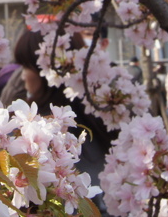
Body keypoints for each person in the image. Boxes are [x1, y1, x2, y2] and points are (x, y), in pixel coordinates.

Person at [11, 29, 116, 195]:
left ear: (47, 70)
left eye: (26, 67)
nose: (22, 76)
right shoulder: (94, 121)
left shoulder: (61, 133)